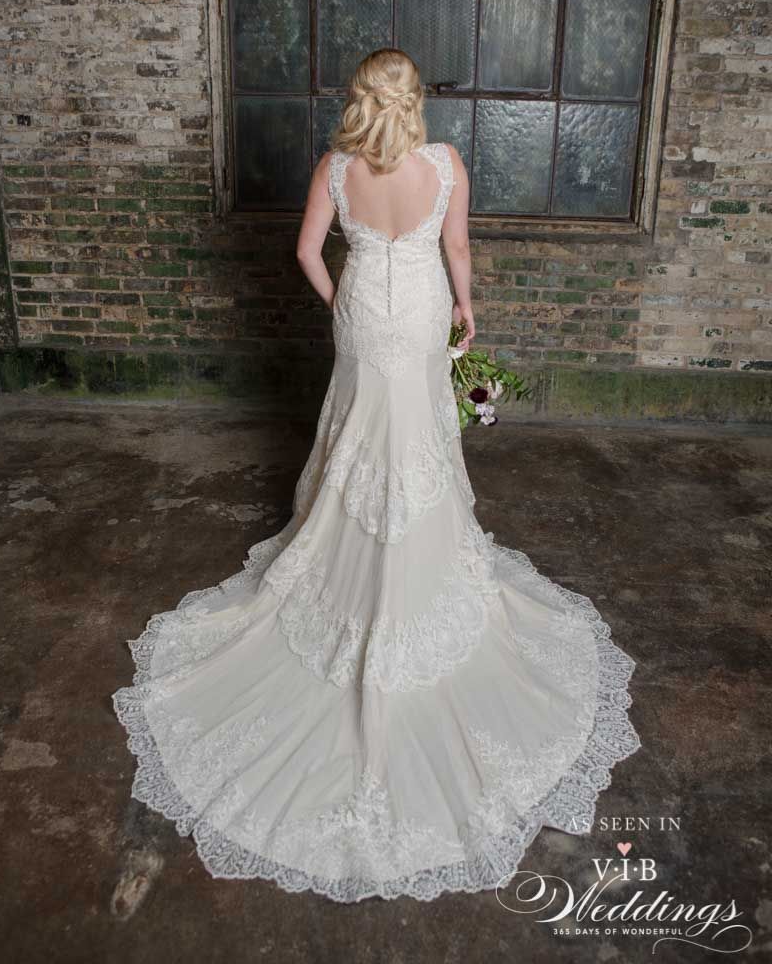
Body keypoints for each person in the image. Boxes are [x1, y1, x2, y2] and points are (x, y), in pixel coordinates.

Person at [112, 48, 641, 904]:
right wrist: (466, 308)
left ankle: (345, 585)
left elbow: (305, 252)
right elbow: (458, 246)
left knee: (359, 439)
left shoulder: (335, 166)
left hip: (363, 318)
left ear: (359, 99)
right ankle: (416, 585)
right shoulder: (445, 165)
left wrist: (339, 300)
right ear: (416, 101)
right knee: (417, 446)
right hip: (421, 312)